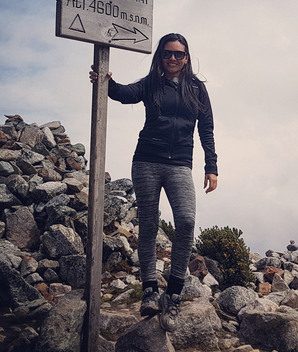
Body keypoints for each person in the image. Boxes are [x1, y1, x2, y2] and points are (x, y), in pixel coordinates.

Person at [89, 33, 218, 332]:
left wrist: (211, 166)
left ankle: (173, 295)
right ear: (160, 56)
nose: (173, 59)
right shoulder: (151, 83)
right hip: (146, 160)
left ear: (187, 58)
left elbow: (207, 128)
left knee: (185, 222)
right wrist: (105, 81)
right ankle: (149, 290)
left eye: (179, 54)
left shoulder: (197, 88)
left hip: (180, 165)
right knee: (148, 224)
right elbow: (124, 93)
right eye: (168, 54)